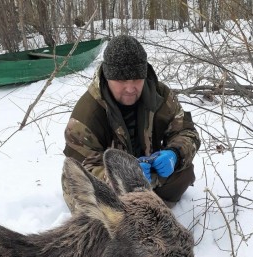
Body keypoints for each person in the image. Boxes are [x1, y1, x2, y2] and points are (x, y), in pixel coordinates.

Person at [63, 35, 200, 207]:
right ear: (107, 76)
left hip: (149, 174)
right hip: (108, 184)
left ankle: (150, 206)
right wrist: (123, 175)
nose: (130, 88)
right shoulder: (86, 114)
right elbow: (81, 170)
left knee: (184, 173)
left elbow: (186, 132)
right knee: (88, 202)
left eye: (136, 79)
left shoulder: (161, 96)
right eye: (120, 80)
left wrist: (175, 153)